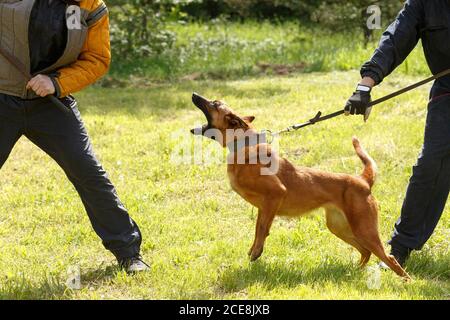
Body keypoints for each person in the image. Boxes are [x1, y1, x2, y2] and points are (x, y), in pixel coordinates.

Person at [0, 0, 148, 273]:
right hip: (2, 99)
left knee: (89, 173)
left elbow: (97, 60)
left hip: (50, 104)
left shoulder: (91, 7)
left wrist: (56, 83)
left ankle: (129, 253)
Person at [345, 0, 450, 266]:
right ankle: (400, 246)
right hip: (448, 91)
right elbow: (396, 38)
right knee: (431, 164)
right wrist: (365, 86)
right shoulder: (424, 3)